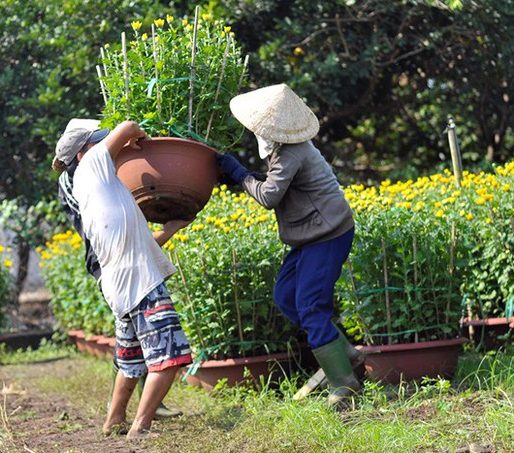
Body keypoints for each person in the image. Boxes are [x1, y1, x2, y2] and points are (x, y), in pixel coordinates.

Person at [215, 84, 363, 409]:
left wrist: (240, 174)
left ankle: (344, 385)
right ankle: (346, 355)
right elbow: (274, 183)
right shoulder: (284, 148)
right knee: (286, 298)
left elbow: (269, 196)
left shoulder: (292, 150)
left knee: (311, 307)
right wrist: (243, 177)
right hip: (309, 235)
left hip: (328, 233)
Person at [53, 120, 193, 438]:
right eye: (99, 143)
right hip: (139, 282)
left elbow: (138, 243)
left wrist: (170, 228)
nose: (108, 148)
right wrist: (141, 140)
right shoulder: (91, 167)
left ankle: (114, 420)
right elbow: (129, 126)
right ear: (83, 153)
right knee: (170, 358)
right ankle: (139, 428)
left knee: (131, 361)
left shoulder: (100, 191)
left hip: (121, 283)